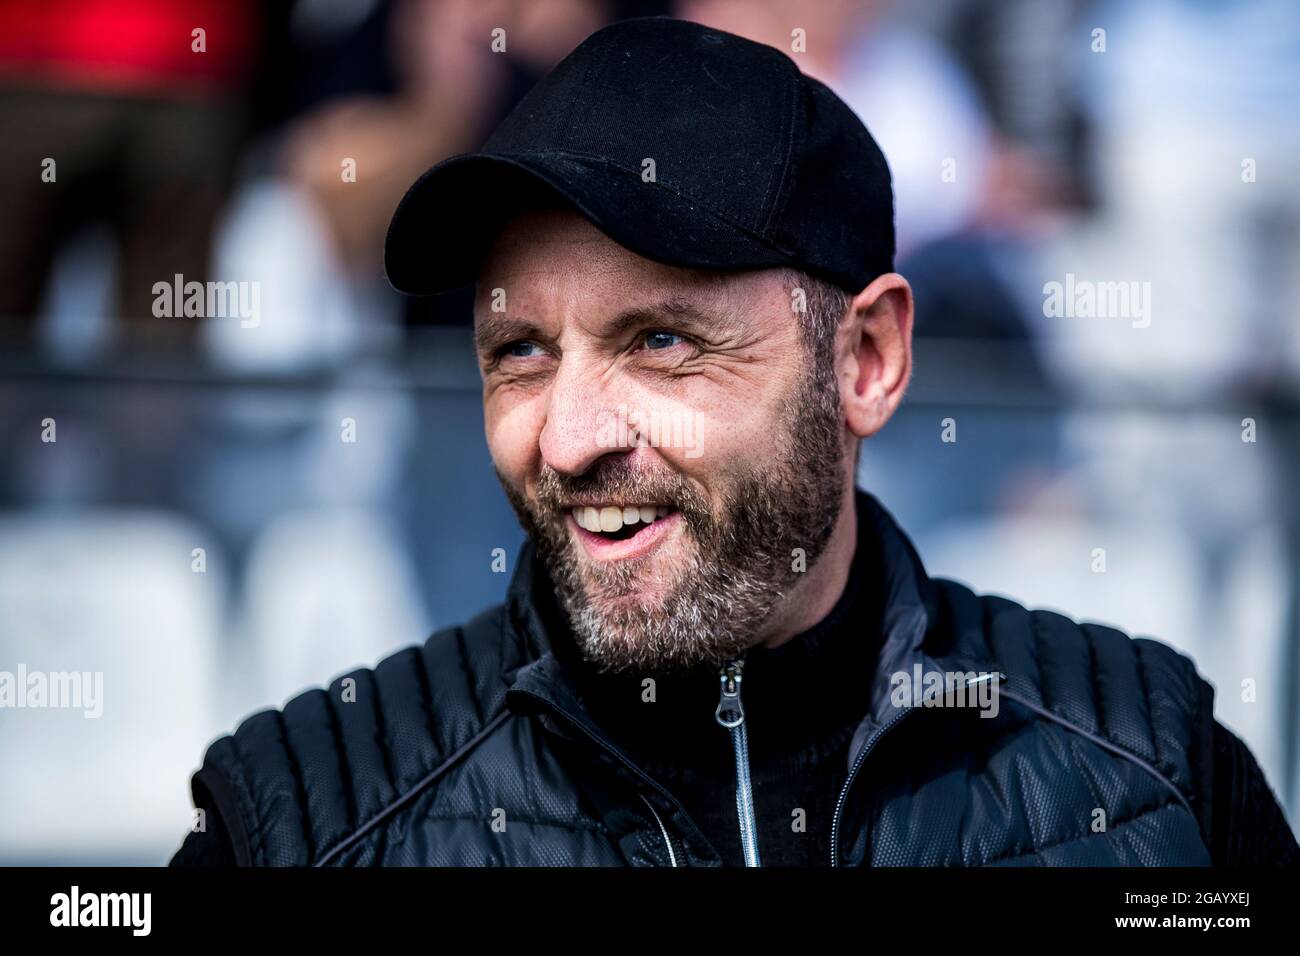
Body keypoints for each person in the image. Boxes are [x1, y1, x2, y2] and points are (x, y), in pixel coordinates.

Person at [170, 17, 1298, 867]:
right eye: (518, 350)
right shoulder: (301, 815)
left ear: (866, 361)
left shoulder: (1154, 769)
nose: (567, 438)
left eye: (660, 341)